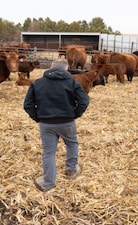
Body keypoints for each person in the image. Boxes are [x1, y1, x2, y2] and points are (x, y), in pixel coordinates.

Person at [23, 59, 90, 192]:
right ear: (66, 69)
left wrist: (38, 117)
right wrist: (74, 114)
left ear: (50, 68)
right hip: (67, 122)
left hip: (46, 123)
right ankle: (71, 170)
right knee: (72, 144)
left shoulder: (37, 83)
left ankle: (48, 183)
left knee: (49, 152)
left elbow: (27, 105)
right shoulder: (72, 82)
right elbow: (84, 101)